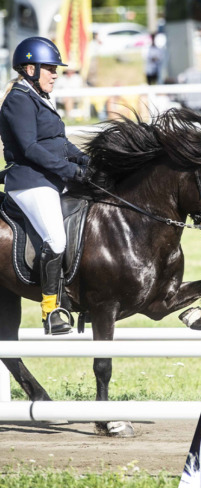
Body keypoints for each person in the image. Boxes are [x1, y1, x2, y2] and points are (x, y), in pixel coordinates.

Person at [0, 37, 93, 335]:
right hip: (30, 182)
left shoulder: (38, 96)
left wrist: (86, 160)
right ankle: (51, 311)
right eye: (50, 68)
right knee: (56, 239)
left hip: (49, 177)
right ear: (30, 68)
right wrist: (70, 171)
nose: (55, 74)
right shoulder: (18, 99)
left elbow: (57, 141)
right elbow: (29, 148)